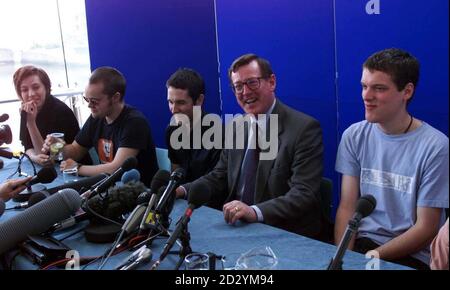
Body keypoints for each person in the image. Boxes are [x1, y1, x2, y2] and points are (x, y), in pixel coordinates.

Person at [178, 54, 324, 239]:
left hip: (282, 233)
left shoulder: (303, 129)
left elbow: (303, 194)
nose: (245, 92)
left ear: (271, 82)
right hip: (236, 228)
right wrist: (181, 190)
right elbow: (219, 176)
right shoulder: (236, 127)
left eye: (252, 83)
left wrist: (254, 212)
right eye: (238, 86)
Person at [334, 48, 449, 270]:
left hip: (412, 255)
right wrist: (342, 258)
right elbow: (347, 207)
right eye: (364, 86)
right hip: (362, 245)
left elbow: (426, 228)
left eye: (379, 88)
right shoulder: (354, 135)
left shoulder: (436, 146)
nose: (366, 96)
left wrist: (371, 258)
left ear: (406, 91)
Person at [42, 67, 158, 186]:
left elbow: (116, 169)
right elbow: (75, 151)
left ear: (115, 98)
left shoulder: (135, 122)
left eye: (94, 101)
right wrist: (57, 145)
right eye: (86, 99)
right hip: (109, 188)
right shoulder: (96, 117)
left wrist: (77, 168)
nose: (89, 105)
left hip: (139, 193)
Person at [13, 65, 84, 166]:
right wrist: (34, 157)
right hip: (48, 167)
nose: (31, 94)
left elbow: (47, 154)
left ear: (46, 88)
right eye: (24, 90)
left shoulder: (60, 111)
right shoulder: (26, 110)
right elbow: (27, 146)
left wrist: (31, 123)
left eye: (36, 87)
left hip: (72, 168)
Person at [165, 68, 221, 183]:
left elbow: (217, 182)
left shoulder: (218, 135)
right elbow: (175, 174)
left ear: (199, 100)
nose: (173, 110)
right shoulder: (171, 130)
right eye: (170, 102)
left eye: (181, 102)